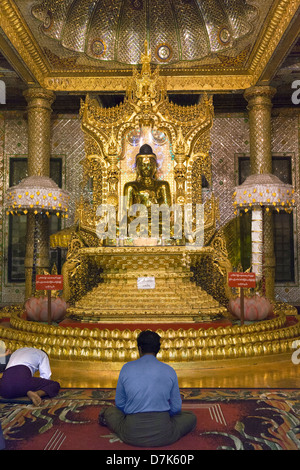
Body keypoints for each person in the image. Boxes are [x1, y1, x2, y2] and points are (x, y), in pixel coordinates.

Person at [99, 330, 197, 447]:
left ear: (139, 349)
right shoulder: (169, 370)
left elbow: (120, 404)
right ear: (158, 350)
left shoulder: (126, 368)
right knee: (190, 417)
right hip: (164, 433)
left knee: (111, 411)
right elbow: (176, 408)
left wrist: (134, 411)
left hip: (131, 433)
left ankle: (107, 415)